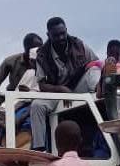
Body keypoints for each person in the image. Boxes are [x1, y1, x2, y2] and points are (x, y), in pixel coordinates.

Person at [31, 17, 100, 151]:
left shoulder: (79, 45)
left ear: (66, 30)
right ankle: (39, 149)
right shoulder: (42, 55)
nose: (61, 37)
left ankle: (99, 93)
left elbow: (96, 63)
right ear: (48, 35)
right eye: (56, 35)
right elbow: (42, 85)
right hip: (57, 92)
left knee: (94, 70)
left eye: (63, 33)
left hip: (79, 88)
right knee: (36, 105)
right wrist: (62, 90)